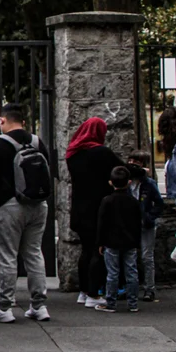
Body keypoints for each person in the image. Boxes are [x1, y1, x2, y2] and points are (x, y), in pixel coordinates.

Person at [0, 103, 52, 323]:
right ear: (23, 121)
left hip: (8, 206)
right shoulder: (37, 142)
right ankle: (39, 306)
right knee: (34, 254)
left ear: (2, 120)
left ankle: (3, 307)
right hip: (38, 205)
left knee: (7, 257)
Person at [65, 117, 124, 308]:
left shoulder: (73, 154)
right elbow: (122, 169)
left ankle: (83, 291)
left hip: (79, 209)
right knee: (98, 252)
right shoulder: (101, 152)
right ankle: (93, 293)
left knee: (85, 250)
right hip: (98, 210)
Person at [95, 166, 142, 314]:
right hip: (130, 241)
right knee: (131, 272)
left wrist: (100, 242)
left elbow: (102, 223)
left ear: (111, 182)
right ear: (129, 182)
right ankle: (133, 303)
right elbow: (137, 224)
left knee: (112, 273)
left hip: (111, 241)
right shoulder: (133, 202)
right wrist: (137, 242)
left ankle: (111, 302)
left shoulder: (107, 201)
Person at [127, 151, 164, 302]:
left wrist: (149, 217)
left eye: (137, 162)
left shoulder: (149, 183)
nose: (133, 165)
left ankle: (149, 288)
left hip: (145, 224)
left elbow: (159, 204)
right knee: (130, 257)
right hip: (130, 224)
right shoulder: (127, 182)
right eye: (131, 161)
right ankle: (131, 288)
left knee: (146, 257)